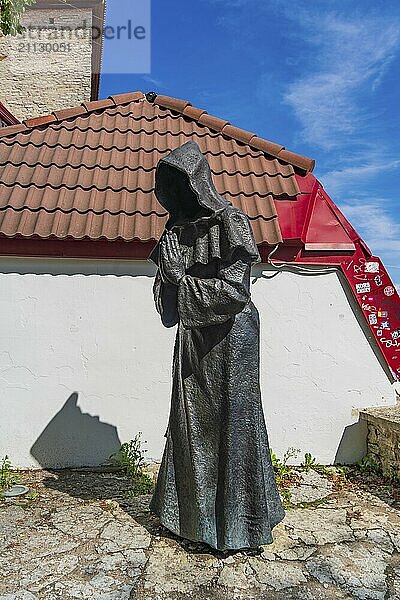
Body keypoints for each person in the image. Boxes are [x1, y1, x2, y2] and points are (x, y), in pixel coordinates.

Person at [148, 140, 285, 551]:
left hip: (232, 340)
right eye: (170, 190)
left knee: (234, 427)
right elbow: (167, 308)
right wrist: (171, 279)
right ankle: (192, 519)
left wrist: (180, 279)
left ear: (199, 185)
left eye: (183, 187)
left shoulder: (233, 224)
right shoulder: (174, 235)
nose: (178, 198)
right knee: (190, 427)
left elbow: (233, 293)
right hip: (193, 341)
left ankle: (241, 525)